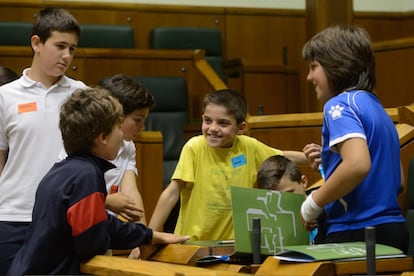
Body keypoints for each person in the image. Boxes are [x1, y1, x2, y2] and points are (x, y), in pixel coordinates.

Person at [7, 87, 189, 275]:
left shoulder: (61, 171)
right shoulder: (87, 175)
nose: (121, 135)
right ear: (102, 137)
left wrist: (148, 236)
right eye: (118, 127)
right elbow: (89, 243)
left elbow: (101, 223)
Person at [300, 24, 408, 253]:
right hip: (393, 232)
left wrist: (313, 204)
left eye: (313, 67)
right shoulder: (377, 108)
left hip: (356, 235)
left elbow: (358, 164)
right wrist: (333, 159)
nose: (309, 77)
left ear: (336, 64)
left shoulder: (338, 105)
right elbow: (398, 182)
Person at [149, 89, 307, 241]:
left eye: (223, 123)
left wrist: (316, 159)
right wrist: (148, 236)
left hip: (234, 243)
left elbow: (281, 155)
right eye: (207, 120)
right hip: (193, 242)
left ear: (241, 128)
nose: (212, 128)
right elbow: (171, 193)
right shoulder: (194, 147)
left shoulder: (249, 147)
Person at [0, 7, 88, 273]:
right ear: (36, 43)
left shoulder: (81, 94)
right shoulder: (5, 96)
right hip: (13, 216)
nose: (66, 56)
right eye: (60, 46)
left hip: (64, 218)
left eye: (72, 49)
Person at [257, 154, 325, 244]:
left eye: (289, 193)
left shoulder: (326, 204)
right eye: (275, 199)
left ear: (303, 182)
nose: (281, 204)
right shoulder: (265, 219)